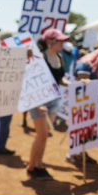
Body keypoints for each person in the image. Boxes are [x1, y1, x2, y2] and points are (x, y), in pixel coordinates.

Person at [27, 29, 70, 180]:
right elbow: (31, 80)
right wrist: (38, 102)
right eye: (60, 40)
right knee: (42, 135)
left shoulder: (59, 57)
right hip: (40, 102)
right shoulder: (40, 57)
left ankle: (39, 164)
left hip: (54, 100)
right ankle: (32, 166)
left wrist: (71, 84)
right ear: (50, 42)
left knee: (45, 136)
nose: (63, 43)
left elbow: (60, 79)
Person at [0, 30, 15, 155]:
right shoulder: (2, 55)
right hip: (2, 94)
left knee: (3, 122)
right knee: (3, 122)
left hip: (5, 93)